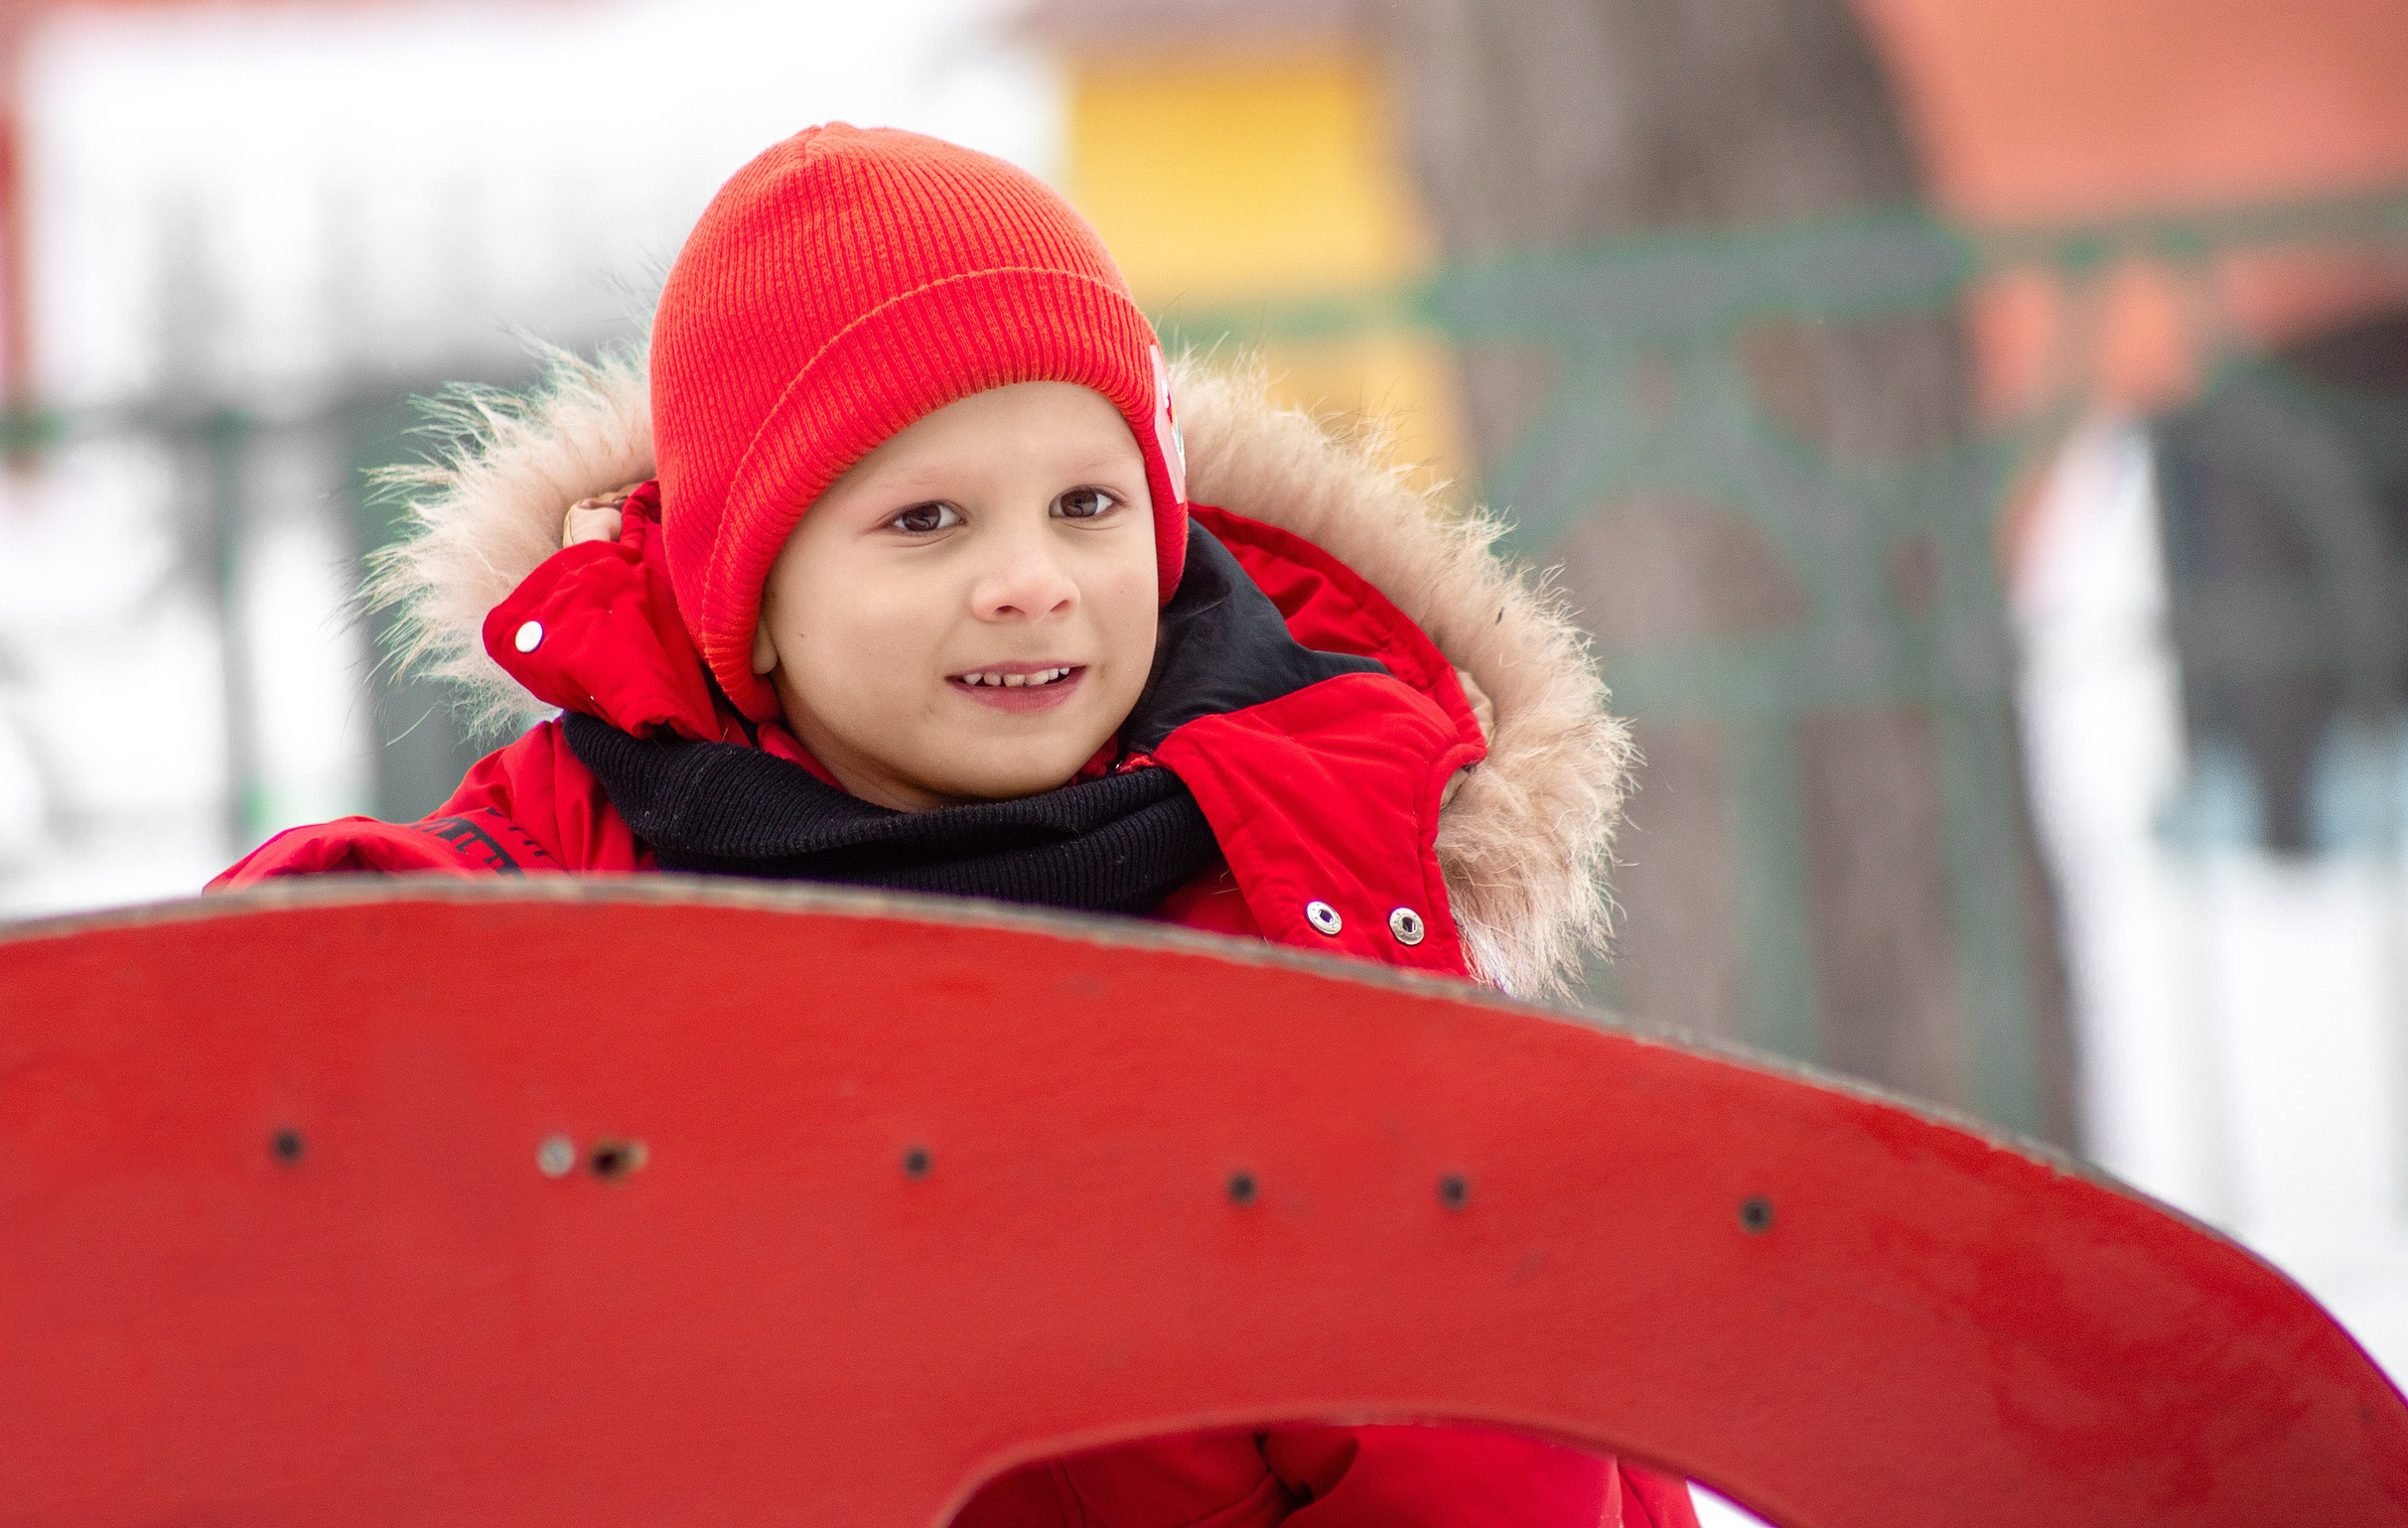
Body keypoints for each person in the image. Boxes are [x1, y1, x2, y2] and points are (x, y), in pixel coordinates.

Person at [213, 124, 1681, 1528]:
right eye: (928, 522)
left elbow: (1474, 1442)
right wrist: (285, 989)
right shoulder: (604, 849)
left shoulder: (1303, 885)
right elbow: (326, 979)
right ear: (750, 607)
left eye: (1089, 504)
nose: (1033, 579)